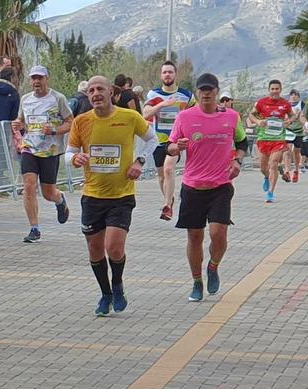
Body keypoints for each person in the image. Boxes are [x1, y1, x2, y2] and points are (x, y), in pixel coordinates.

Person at [66, 75, 153, 315]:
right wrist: (74, 158)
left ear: (111, 93)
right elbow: (69, 152)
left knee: (113, 247)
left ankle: (117, 283)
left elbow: (152, 139)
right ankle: (105, 294)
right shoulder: (81, 121)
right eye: (91, 90)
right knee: (95, 250)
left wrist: (139, 161)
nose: (95, 93)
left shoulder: (129, 117)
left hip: (121, 195)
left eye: (100, 89)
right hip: (92, 196)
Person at [166, 72, 247, 302]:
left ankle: (212, 266)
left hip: (220, 185)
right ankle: (196, 281)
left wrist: (237, 160)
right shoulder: (184, 117)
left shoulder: (231, 117)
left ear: (217, 91)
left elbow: (242, 142)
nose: (206, 93)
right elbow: (170, 147)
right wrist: (176, 147)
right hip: (193, 187)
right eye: (202, 90)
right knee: (194, 237)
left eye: (210, 89)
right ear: (197, 92)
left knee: (218, 233)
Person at [13, 65, 72, 241]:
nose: (36, 82)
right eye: (33, 78)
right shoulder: (25, 99)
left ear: (47, 79)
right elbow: (22, 121)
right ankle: (34, 228)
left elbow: (70, 122)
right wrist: (17, 124)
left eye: (40, 78)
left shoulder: (58, 98)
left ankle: (60, 200)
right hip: (29, 148)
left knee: (48, 193)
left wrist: (54, 130)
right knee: (29, 186)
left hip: (50, 151)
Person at [142, 60, 194, 222]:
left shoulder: (186, 95)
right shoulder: (154, 94)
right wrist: (162, 105)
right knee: (161, 176)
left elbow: (196, 113)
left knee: (169, 169)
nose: (167, 75)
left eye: (170, 72)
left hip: (175, 140)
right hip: (158, 140)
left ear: (175, 74)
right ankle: (169, 200)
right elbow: (145, 114)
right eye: (164, 72)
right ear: (161, 75)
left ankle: (167, 205)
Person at [251, 79, 293, 203]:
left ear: (280, 90)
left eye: (277, 89)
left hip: (278, 139)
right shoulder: (261, 102)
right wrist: (258, 122)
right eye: (272, 89)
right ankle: (266, 176)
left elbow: (293, 115)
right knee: (263, 167)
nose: (275, 91)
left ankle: (270, 193)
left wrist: (288, 121)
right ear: (269, 90)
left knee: (274, 163)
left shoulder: (285, 104)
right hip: (264, 138)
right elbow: (251, 115)